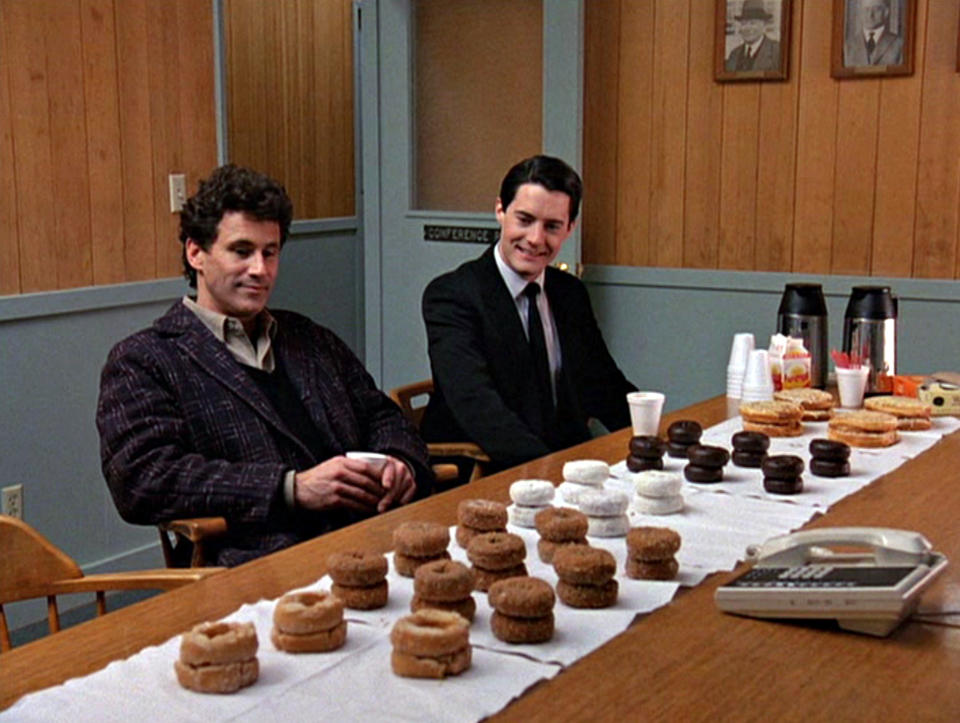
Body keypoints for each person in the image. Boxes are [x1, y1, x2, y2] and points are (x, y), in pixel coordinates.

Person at [97, 164, 430, 566]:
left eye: (270, 252)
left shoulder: (309, 337)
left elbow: (381, 414)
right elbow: (143, 479)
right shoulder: (145, 360)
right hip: (255, 563)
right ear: (195, 252)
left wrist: (399, 460)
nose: (261, 269)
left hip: (371, 540)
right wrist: (291, 488)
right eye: (242, 251)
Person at [421, 155, 637, 474]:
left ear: (570, 228)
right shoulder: (452, 296)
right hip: (484, 473)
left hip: (564, 466)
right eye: (524, 219)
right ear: (500, 211)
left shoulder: (570, 292)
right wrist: (554, 470)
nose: (536, 239)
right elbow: (478, 407)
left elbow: (604, 385)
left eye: (552, 226)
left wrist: (657, 439)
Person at [725, 0, 781, 73]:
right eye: (744, 24)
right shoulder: (734, 55)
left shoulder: (776, 51)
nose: (748, 28)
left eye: (753, 23)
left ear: (764, 25)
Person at [843, 0, 903, 67]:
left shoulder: (899, 45)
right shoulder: (847, 46)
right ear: (860, 12)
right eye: (866, 9)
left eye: (876, 9)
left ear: (886, 12)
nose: (870, 15)